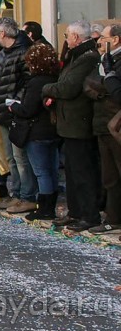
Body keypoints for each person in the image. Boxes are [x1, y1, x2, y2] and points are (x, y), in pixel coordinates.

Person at [42, 20, 100, 232]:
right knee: (73, 172)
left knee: (83, 172)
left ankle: (89, 214)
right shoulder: (76, 57)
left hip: (79, 122)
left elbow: (68, 87)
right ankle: (75, 211)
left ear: (76, 37)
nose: (65, 39)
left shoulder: (87, 58)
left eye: (67, 35)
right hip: (69, 122)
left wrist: (47, 89)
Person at [7, 44, 60, 221]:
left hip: (36, 131)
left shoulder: (36, 82)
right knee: (51, 169)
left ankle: (45, 208)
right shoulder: (55, 77)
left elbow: (28, 109)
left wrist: (13, 106)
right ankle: (49, 205)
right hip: (53, 130)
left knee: (41, 171)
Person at [0, 17, 36, 213]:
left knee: (20, 158)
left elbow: (28, 83)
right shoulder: (3, 53)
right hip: (1, 111)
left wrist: (14, 102)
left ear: (2, 33)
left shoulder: (23, 52)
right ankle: (15, 193)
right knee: (10, 158)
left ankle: (26, 196)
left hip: (14, 112)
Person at [83, 24, 121, 233]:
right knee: (110, 176)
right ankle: (113, 217)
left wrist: (108, 78)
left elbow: (113, 90)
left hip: (115, 123)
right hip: (103, 122)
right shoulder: (104, 59)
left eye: (103, 38)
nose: (99, 43)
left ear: (115, 39)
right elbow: (89, 82)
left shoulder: (114, 60)